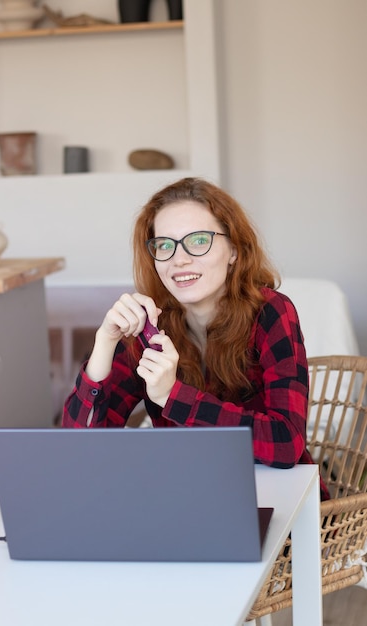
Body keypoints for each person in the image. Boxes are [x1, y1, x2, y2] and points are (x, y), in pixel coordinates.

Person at [62, 176, 329, 499]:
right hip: (187, 500)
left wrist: (172, 396)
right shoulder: (149, 325)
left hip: (277, 505)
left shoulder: (271, 312)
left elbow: (285, 443)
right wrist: (105, 343)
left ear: (234, 249)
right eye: (165, 245)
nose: (180, 259)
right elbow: (82, 446)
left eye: (198, 240)